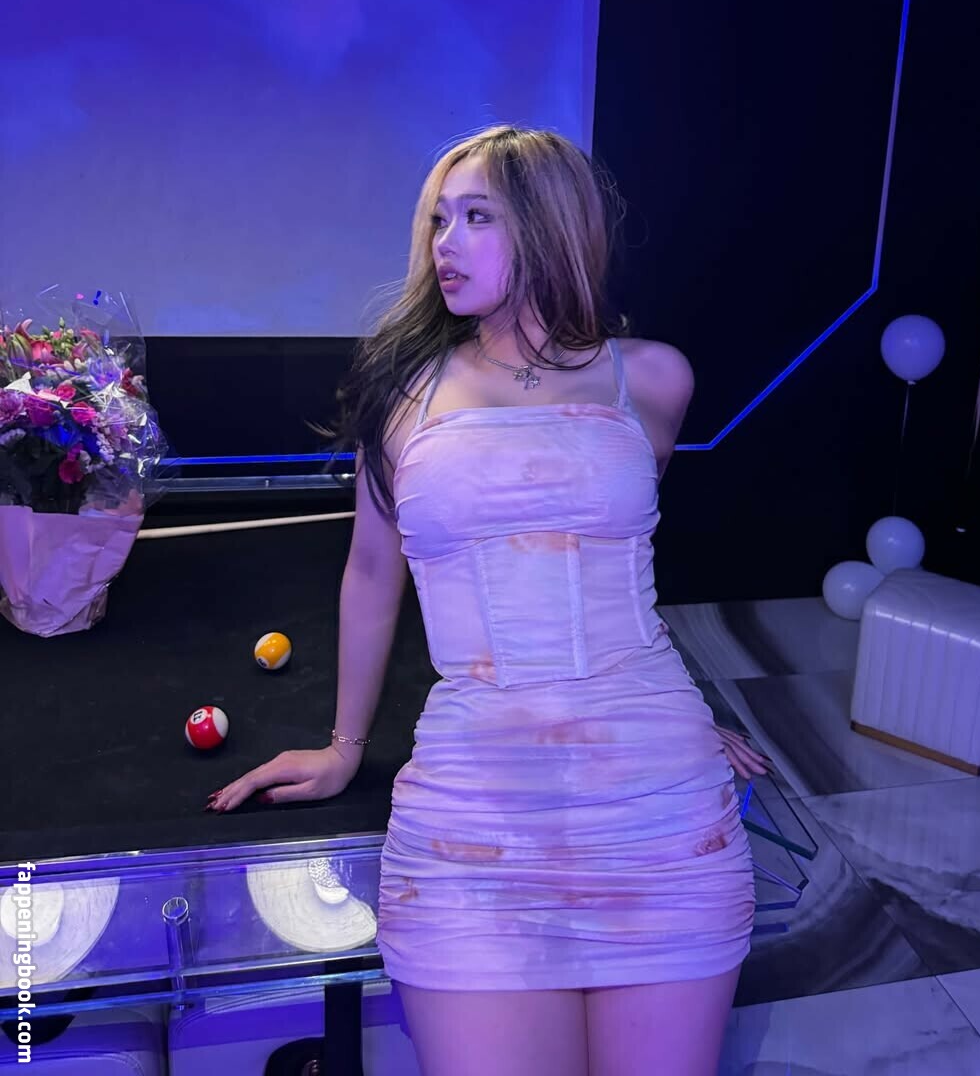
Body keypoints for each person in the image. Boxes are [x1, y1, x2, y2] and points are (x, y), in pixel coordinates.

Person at [207, 125, 771, 1076]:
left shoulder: (653, 377)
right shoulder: (403, 393)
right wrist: (344, 747)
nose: (445, 243)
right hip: (477, 810)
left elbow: (611, 558)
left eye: (477, 217)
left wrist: (674, 714)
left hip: (657, 805)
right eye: (439, 220)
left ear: (550, 226)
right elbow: (372, 572)